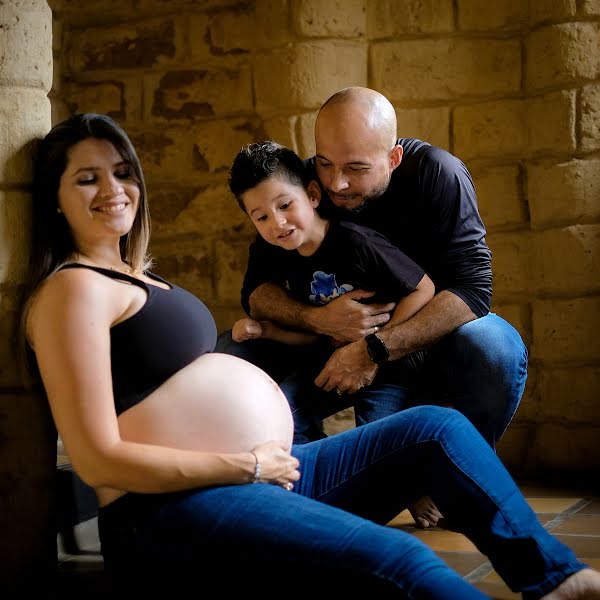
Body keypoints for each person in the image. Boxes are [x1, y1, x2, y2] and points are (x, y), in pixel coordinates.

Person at [20, 112, 600, 599]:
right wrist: (247, 464)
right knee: (400, 561)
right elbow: (98, 460)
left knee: (437, 429)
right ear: (54, 199)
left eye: (122, 172)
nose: (114, 189)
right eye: (87, 179)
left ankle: (554, 577)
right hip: (167, 510)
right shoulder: (74, 289)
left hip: (257, 476)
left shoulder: (132, 275)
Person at [216, 86, 529, 526]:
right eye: (326, 163)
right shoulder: (306, 186)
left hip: (427, 338)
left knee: (493, 346)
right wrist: (317, 318)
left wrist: (374, 349)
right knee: (231, 351)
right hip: (328, 339)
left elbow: (474, 290)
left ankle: (459, 474)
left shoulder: (438, 174)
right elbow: (256, 289)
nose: (337, 183)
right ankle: (297, 488)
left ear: (394, 159)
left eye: (356, 169)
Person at [229, 140, 434, 446]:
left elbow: (424, 288)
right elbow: (316, 334)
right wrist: (265, 330)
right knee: (280, 417)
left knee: (378, 442)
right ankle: (315, 478)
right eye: (262, 218)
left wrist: (376, 348)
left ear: (312, 195)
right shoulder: (285, 255)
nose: (278, 223)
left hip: (388, 366)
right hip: (330, 360)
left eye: (285, 205)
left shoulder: (356, 243)